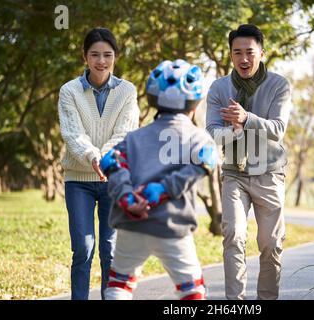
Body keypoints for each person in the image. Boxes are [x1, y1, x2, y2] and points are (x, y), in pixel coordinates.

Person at [100, 59, 218, 300]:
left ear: (153, 101)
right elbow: (204, 164)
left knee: (119, 286)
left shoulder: (133, 138)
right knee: (192, 290)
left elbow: (110, 163)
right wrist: (160, 191)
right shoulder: (201, 140)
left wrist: (128, 198)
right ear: (194, 106)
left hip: (131, 224)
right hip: (172, 226)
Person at [206, 24, 292, 300]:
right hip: (234, 173)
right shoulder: (219, 88)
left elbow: (278, 129)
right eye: (237, 52)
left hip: (269, 173)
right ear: (231, 55)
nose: (244, 59)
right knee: (234, 236)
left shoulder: (279, 85)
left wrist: (246, 119)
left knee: (270, 244)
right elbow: (211, 131)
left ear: (262, 53)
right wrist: (232, 130)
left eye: (250, 52)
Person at [58, 27, 140, 300]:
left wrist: (105, 160)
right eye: (94, 55)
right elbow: (72, 133)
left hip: (113, 178)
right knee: (83, 248)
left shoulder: (127, 91)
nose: (101, 61)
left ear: (115, 57)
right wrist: (94, 158)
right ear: (85, 56)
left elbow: (124, 133)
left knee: (111, 249)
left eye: (107, 55)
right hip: (78, 180)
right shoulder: (69, 91)